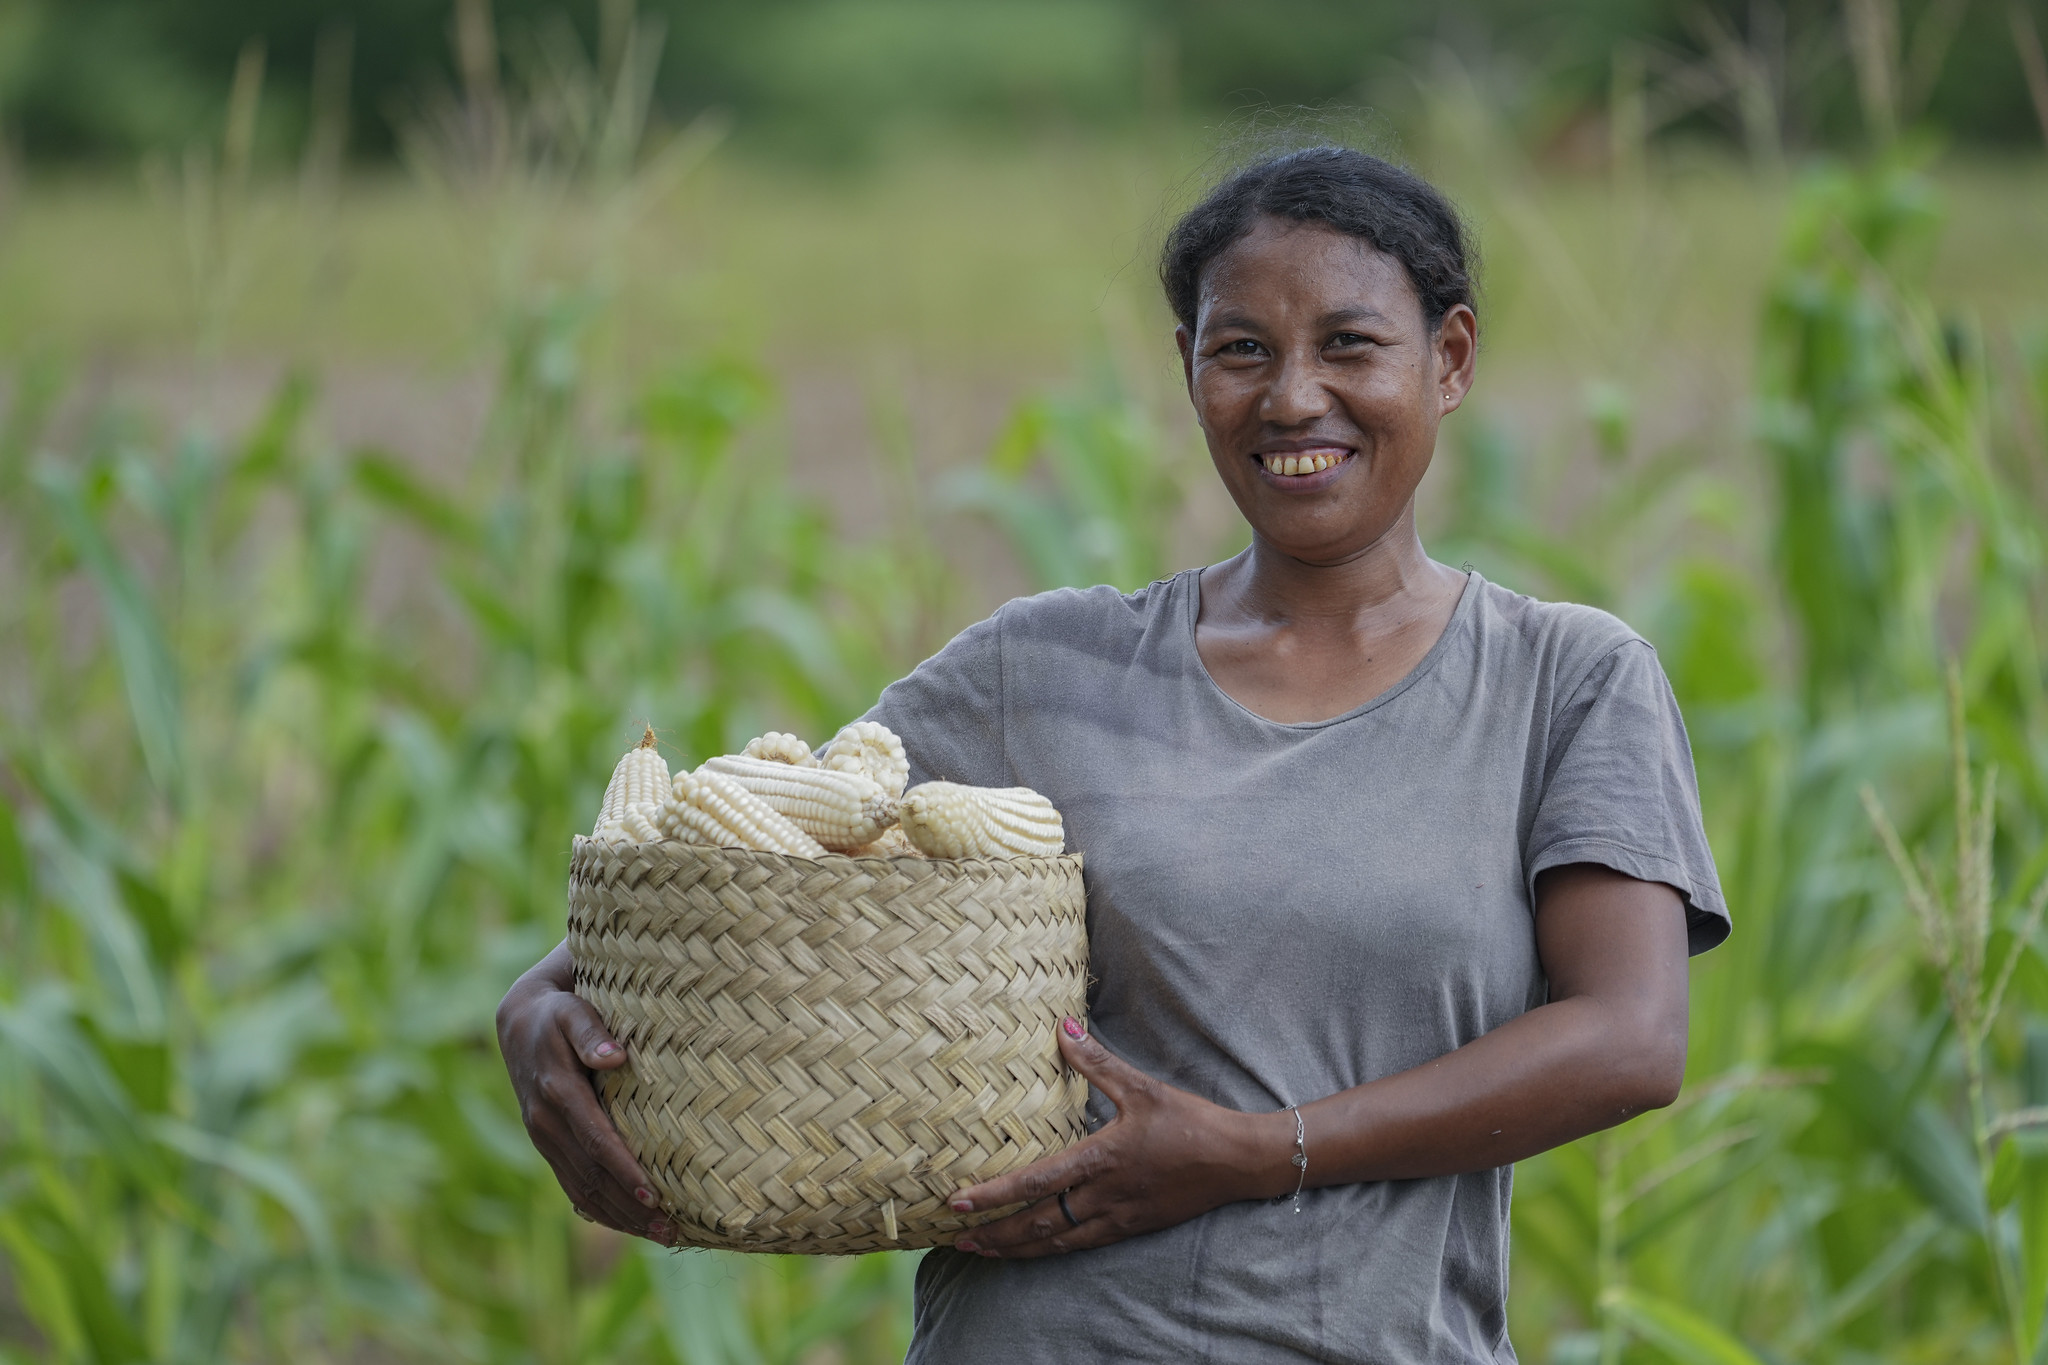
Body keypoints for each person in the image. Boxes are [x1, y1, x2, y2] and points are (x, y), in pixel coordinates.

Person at [496, 144, 1729, 1363]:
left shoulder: (1562, 680)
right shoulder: (1041, 671)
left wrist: (1259, 1152)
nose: (1292, 396)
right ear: (1188, 368)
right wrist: (540, 1008)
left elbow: (1626, 1039)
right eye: (1240, 347)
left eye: (1349, 345)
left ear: (1447, 358)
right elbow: (725, 892)